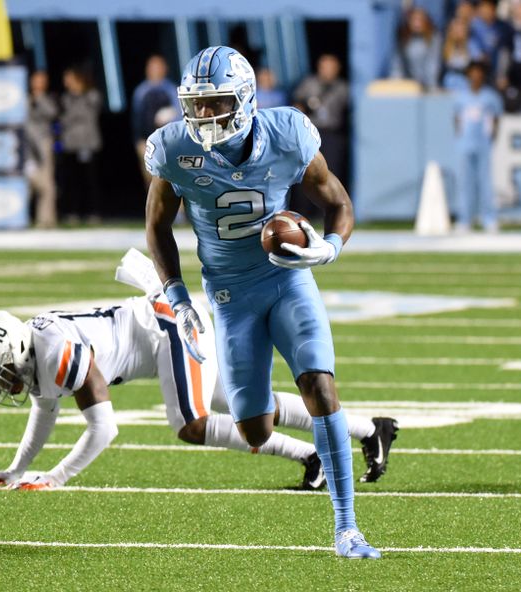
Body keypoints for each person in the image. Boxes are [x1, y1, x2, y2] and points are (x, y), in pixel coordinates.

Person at [143, 46, 381, 559]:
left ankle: (347, 528)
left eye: (217, 102)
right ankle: (313, 423)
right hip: (229, 296)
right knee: (254, 425)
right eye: (197, 104)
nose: (204, 116)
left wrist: (328, 246)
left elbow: (337, 202)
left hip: (286, 279)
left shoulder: (288, 133)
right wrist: (178, 296)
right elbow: (157, 227)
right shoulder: (173, 147)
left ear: (247, 98)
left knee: (320, 383)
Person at [0, 249, 399, 491]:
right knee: (242, 404)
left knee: (191, 423)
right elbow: (44, 410)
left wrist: (56, 478)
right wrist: (16, 469)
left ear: (16, 351)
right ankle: (367, 430)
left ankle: (314, 454)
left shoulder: (56, 351)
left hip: (165, 325)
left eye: (0, 374)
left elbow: (104, 429)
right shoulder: (36, 353)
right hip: (158, 332)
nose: (3, 385)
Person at [454, 60, 503, 233]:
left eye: (478, 72)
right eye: (472, 72)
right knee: (465, 182)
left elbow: (496, 119)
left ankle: (489, 218)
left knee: (485, 182)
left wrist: (492, 138)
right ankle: (465, 218)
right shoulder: (461, 97)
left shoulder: (490, 97)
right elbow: (456, 119)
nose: (475, 76)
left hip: (483, 143)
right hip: (465, 144)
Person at [292, 54, 349, 189]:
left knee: (332, 170)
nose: (327, 71)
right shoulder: (308, 84)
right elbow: (296, 106)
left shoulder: (343, 88)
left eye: (331, 68)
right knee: (306, 170)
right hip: (310, 133)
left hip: (332, 134)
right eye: (324, 67)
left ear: (337, 69)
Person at [59, 66, 103, 224]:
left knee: (89, 180)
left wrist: (73, 114)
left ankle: (93, 212)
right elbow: (63, 118)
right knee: (72, 181)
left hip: (88, 144)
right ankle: (73, 212)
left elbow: (85, 114)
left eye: (68, 78)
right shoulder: (65, 98)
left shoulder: (92, 95)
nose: (66, 82)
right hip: (70, 145)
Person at [131, 55, 180, 190]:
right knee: (152, 182)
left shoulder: (172, 90)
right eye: (152, 67)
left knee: (175, 180)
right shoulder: (141, 91)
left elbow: (180, 117)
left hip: (170, 144)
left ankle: (180, 211)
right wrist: (139, 142)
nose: (155, 70)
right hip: (147, 143)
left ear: (165, 69)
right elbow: (137, 119)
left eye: (159, 66)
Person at [24, 70, 58, 228]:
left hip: (43, 143)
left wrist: (40, 98)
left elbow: (53, 113)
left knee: (47, 182)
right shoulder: (25, 98)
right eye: (36, 79)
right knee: (29, 181)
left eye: (42, 80)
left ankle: (46, 219)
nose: (38, 83)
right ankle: (22, 216)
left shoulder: (48, 99)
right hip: (26, 145)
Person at [391, 6, 442, 89]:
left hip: (428, 84)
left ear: (425, 22)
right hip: (409, 84)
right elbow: (397, 63)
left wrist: (431, 86)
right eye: (414, 20)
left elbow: (433, 64)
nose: (416, 23)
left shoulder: (434, 38)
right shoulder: (404, 38)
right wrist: (396, 82)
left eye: (420, 20)